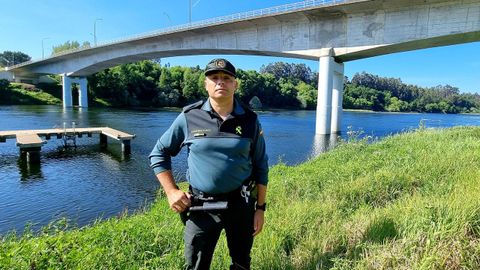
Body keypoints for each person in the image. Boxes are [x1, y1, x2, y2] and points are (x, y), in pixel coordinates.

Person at [149, 58, 269, 270]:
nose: (220, 82)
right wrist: (171, 191)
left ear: (235, 84)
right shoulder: (189, 116)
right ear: (206, 84)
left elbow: (261, 165)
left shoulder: (250, 120)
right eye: (214, 78)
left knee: (241, 263)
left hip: (241, 205)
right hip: (201, 206)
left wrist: (260, 208)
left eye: (226, 78)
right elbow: (159, 153)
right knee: (195, 264)